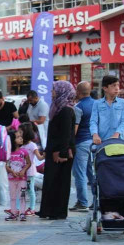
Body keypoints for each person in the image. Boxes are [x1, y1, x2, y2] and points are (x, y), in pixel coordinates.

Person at [36, 81, 76, 220]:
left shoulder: (66, 110)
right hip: (54, 149)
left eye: (54, 89)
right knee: (51, 181)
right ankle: (48, 210)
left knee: (60, 182)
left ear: (62, 91)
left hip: (61, 152)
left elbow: (66, 134)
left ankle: (58, 211)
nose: (52, 92)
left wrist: (62, 153)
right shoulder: (58, 108)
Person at [70, 82, 95, 212]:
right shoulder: (97, 104)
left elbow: (75, 128)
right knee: (93, 174)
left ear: (78, 92)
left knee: (79, 173)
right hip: (95, 142)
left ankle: (82, 202)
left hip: (81, 142)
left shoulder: (78, 107)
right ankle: (97, 202)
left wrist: (69, 143)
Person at [90, 76, 124, 145]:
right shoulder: (97, 103)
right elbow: (93, 121)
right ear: (105, 88)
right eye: (113, 86)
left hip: (119, 140)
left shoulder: (123, 102)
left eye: (118, 85)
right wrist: (94, 134)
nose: (117, 88)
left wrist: (116, 134)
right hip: (102, 141)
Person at [5, 131, 31, 221]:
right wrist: (12, 171)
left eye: (21, 137)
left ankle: (22, 213)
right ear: (12, 140)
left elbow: (28, 163)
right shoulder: (8, 153)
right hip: (11, 179)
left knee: (22, 196)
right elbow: (6, 166)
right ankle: (13, 213)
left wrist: (23, 170)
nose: (21, 138)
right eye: (18, 137)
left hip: (22, 179)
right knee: (12, 196)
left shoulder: (24, 152)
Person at [19, 122, 44, 216]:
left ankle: (32, 208)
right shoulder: (21, 145)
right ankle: (20, 208)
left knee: (30, 189)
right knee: (22, 190)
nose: (19, 133)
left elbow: (39, 157)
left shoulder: (32, 145)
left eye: (20, 132)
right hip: (21, 171)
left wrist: (45, 155)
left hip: (29, 172)